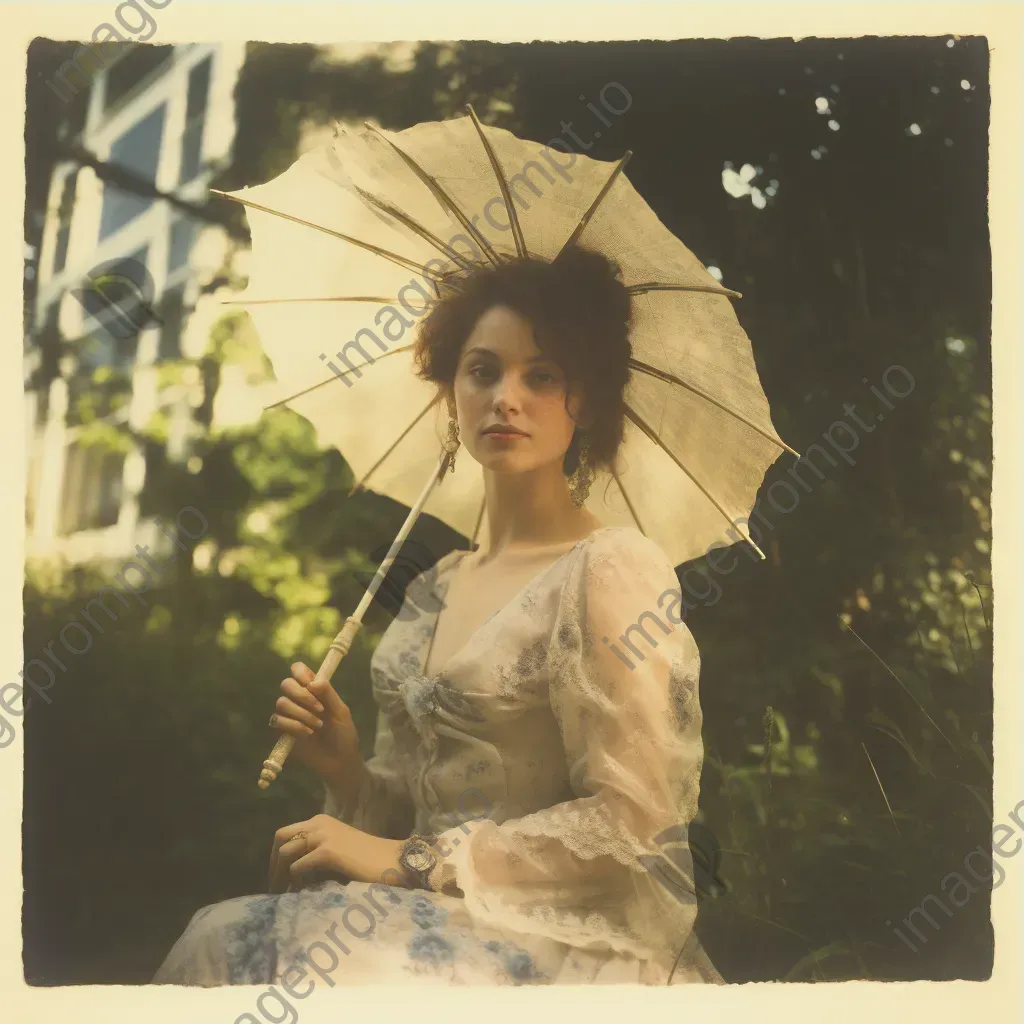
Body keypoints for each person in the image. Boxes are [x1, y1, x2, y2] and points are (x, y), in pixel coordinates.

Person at [154, 247, 723, 987]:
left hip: (561, 940)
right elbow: (412, 815)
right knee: (219, 938)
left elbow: (635, 823)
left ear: (580, 400)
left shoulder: (609, 570)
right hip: (428, 916)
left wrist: (406, 860)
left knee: (328, 969)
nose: (505, 398)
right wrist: (348, 770)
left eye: (540, 375)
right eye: (482, 370)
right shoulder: (433, 587)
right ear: (451, 389)